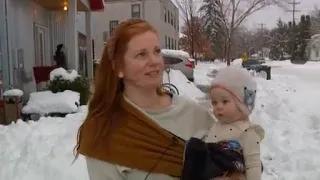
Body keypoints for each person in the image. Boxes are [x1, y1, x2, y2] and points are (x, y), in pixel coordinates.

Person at [74, 18, 216, 180]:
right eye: (141, 54)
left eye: (156, 51)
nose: (154, 61)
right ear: (119, 68)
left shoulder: (194, 113)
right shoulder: (104, 132)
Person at [201, 66, 265, 180]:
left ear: (241, 104)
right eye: (214, 102)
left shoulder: (248, 132)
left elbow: (253, 165)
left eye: (225, 101)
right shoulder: (214, 126)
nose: (218, 106)